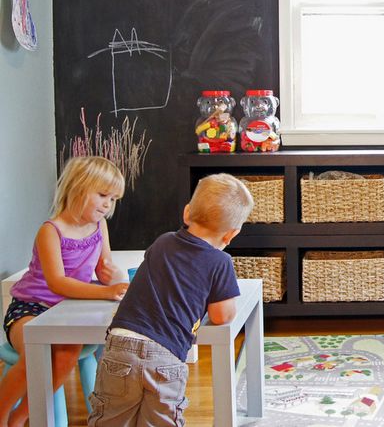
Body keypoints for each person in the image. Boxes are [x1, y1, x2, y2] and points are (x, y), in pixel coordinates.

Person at [87, 173, 254, 426]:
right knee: (161, 420)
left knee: (110, 419)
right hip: (165, 357)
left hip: (120, 346)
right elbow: (222, 315)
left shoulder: (162, 242)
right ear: (231, 234)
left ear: (187, 213)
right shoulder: (220, 262)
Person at [0, 156, 128, 427]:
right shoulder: (51, 231)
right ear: (78, 188)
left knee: (69, 351)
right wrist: (106, 292)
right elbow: (57, 282)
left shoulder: (98, 225)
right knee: (36, 352)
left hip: (70, 307)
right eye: (103, 195)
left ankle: (21, 416)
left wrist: (116, 280)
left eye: (113, 199)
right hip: (31, 307)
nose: (108, 204)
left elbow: (105, 266)